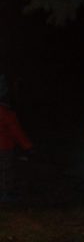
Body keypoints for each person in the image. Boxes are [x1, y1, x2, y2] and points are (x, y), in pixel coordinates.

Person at [0, 73, 32, 203]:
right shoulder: (5, 112)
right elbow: (15, 130)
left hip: (5, 145)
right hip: (4, 147)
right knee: (5, 171)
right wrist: (28, 146)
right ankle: (5, 194)